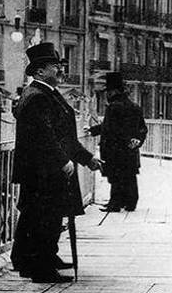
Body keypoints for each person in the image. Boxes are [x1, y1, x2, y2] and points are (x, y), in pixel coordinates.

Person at [11, 42, 104, 283]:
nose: (60, 70)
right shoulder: (37, 97)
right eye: (55, 66)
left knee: (39, 215)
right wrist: (62, 161)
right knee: (45, 217)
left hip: (43, 169)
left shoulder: (43, 94)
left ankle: (35, 259)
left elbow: (65, 136)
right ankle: (41, 268)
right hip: (44, 170)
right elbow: (45, 136)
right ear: (40, 71)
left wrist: (87, 158)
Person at [87, 72, 147, 212]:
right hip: (129, 149)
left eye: (108, 91)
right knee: (129, 175)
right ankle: (130, 203)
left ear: (113, 91)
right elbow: (143, 128)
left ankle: (115, 203)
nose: (107, 94)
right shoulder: (134, 106)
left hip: (114, 149)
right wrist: (137, 140)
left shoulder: (113, 107)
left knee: (115, 177)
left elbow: (108, 128)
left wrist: (92, 130)